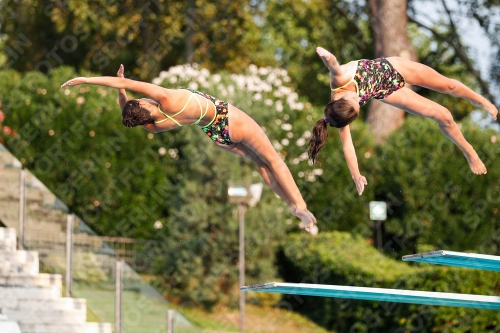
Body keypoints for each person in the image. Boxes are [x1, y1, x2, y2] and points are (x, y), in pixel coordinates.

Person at [61, 65, 317, 229]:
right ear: (146, 106)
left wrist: (123, 99)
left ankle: (290, 205)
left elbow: (127, 112)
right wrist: (85, 79)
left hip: (217, 135)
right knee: (274, 160)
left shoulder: (153, 124)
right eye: (141, 100)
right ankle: (301, 205)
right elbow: (126, 86)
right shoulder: (165, 99)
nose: (145, 97)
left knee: (262, 165)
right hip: (229, 118)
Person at [308, 46, 498, 196]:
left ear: (340, 99)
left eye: (355, 100)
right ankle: (468, 151)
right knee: (443, 115)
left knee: (448, 85)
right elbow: (348, 146)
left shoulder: (339, 80)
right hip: (386, 91)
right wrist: (356, 175)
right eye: (360, 104)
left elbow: (333, 64)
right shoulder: (342, 115)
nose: (359, 99)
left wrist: (326, 55)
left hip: (394, 67)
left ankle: (479, 100)